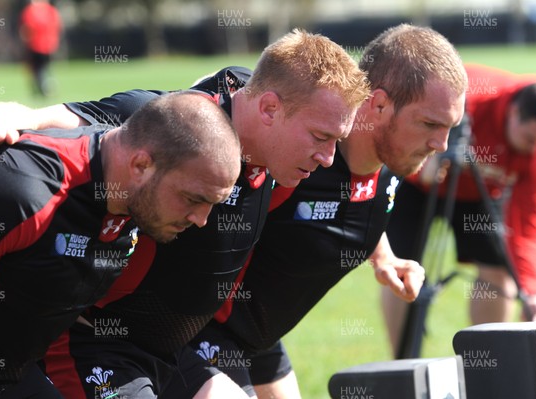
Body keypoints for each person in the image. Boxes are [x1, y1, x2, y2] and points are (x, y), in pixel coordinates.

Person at [0, 29, 371, 398]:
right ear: (268, 109)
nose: (328, 156)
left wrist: (381, 252)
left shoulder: (267, 125)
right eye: (320, 136)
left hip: (173, 350)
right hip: (101, 344)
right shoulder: (173, 129)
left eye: (337, 139)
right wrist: (9, 115)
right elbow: (81, 125)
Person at [153, 23, 467, 398]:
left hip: (261, 340)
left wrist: (383, 257)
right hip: (203, 333)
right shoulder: (295, 159)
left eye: (451, 127)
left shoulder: (387, 167)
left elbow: (355, 203)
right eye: (430, 123)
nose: (441, 143)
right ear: (379, 105)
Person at [0, 92, 241, 398]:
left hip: (6, 377)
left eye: (212, 204)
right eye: (193, 199)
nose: (202, 219)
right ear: (141, 165)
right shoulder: (21, 190)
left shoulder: (134, 177)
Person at [384, 64, 536, 354]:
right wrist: (420, 168)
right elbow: (396, 126)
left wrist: (533, 289)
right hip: (417, 184)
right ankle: (403, 364)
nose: (532, 150)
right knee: (400, 269)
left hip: (479, 195)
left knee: (498, 270)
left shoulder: (535, 147)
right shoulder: (468, 98)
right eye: (530, 140)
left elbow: (529, 219)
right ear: (514, 114)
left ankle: (489, 365)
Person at [19, 0, 62, 96]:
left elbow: (27, 28)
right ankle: (45, 86)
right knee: (44, 67)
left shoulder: (31, 11)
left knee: (38, 68)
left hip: (36, 45)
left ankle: (43, 86)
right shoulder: (51, 10)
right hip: (48, 45)